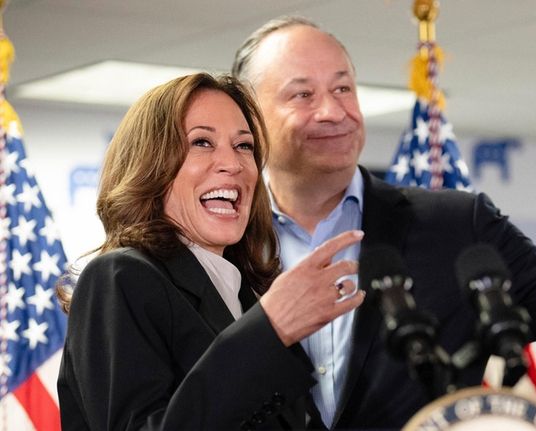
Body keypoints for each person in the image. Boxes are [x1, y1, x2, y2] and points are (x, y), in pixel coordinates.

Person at [230, 16, 536, 429]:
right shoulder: (215, 242)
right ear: (250, 116)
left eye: (343, 88)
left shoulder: (454, 226)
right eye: (302, 95)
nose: (333, 110)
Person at [56, 73, 365, 430]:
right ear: (150, 166)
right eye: (202, 142)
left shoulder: (243, 294)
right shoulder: (120, 276)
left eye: (244, 146)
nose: (233, 164)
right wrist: (268, 330)